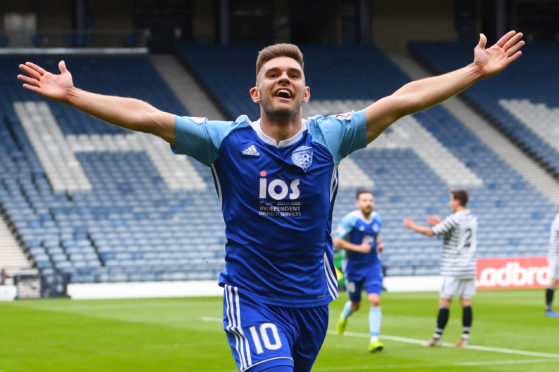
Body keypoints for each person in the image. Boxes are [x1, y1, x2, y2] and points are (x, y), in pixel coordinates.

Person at [18, 31, 523, 371]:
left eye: (293, 74)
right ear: (256, 93)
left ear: (305, 91)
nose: (284, 77)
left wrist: (474, 73)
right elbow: (147, 116)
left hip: (311, 301)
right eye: (273, 73)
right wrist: (74, 95)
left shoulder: (330, 138)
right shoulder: (226, 141)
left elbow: (402, 100)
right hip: (251, 295)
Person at [403, 189, 477, 347]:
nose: (450, 203)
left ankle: (437, 338)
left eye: (451, 200)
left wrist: (413, 226)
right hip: (469, 266)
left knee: (445, 301)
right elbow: (456, 232)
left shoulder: (454, 218)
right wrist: (441, 223)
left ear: (457, 201)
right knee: (466, 302)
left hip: (454, 266)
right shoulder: (472, 218)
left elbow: (431, 233)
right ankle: (465, 337)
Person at [334, 189, 385, 353]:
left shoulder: (377, 218)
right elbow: (337, 242)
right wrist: (358, 248)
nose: (368, 203)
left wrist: (379, 244)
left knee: (375, 301)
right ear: (358, 203)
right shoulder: (351, 220)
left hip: (372, 266)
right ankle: (343, 316)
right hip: (353, 268)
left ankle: (374, 340)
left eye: (370, 200)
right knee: (355, 305)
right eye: (364, 200)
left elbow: (376, 234)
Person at [546, 204, 559, 317]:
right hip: (556, 256)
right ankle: (548, 309)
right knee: (554, 280)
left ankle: (549, 309)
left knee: (555, 281)